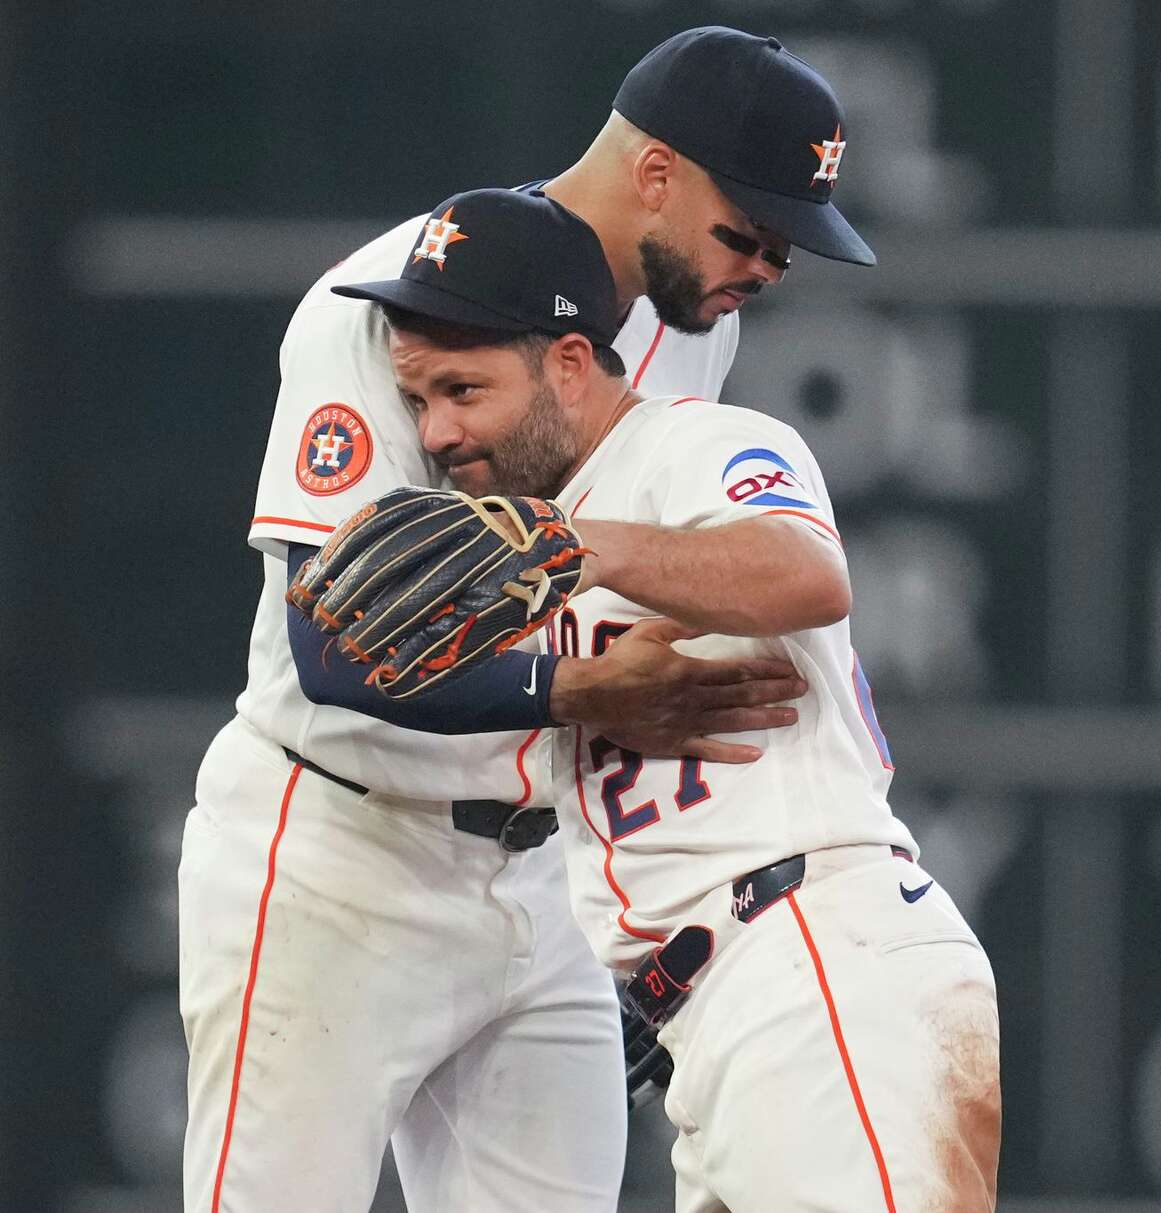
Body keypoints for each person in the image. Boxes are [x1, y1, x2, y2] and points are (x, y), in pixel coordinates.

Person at [179, 27, 874, 1213]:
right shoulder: (399, 299)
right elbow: (336, 643)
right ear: (655, 173)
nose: (766, 266)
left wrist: (631, 927)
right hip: (338, 847)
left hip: (539, 872)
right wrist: (572, 693)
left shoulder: (687, 316)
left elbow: (623, 591)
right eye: (746, 231)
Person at [333, 184, 1000, 1212]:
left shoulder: (698, 445)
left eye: (463, 390)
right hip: (718, 1014)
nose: (438, 432)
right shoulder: (526, 535)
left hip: (820, 968)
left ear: (565, 361)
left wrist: (581, 547)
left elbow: (806, 573)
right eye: (419, 401)